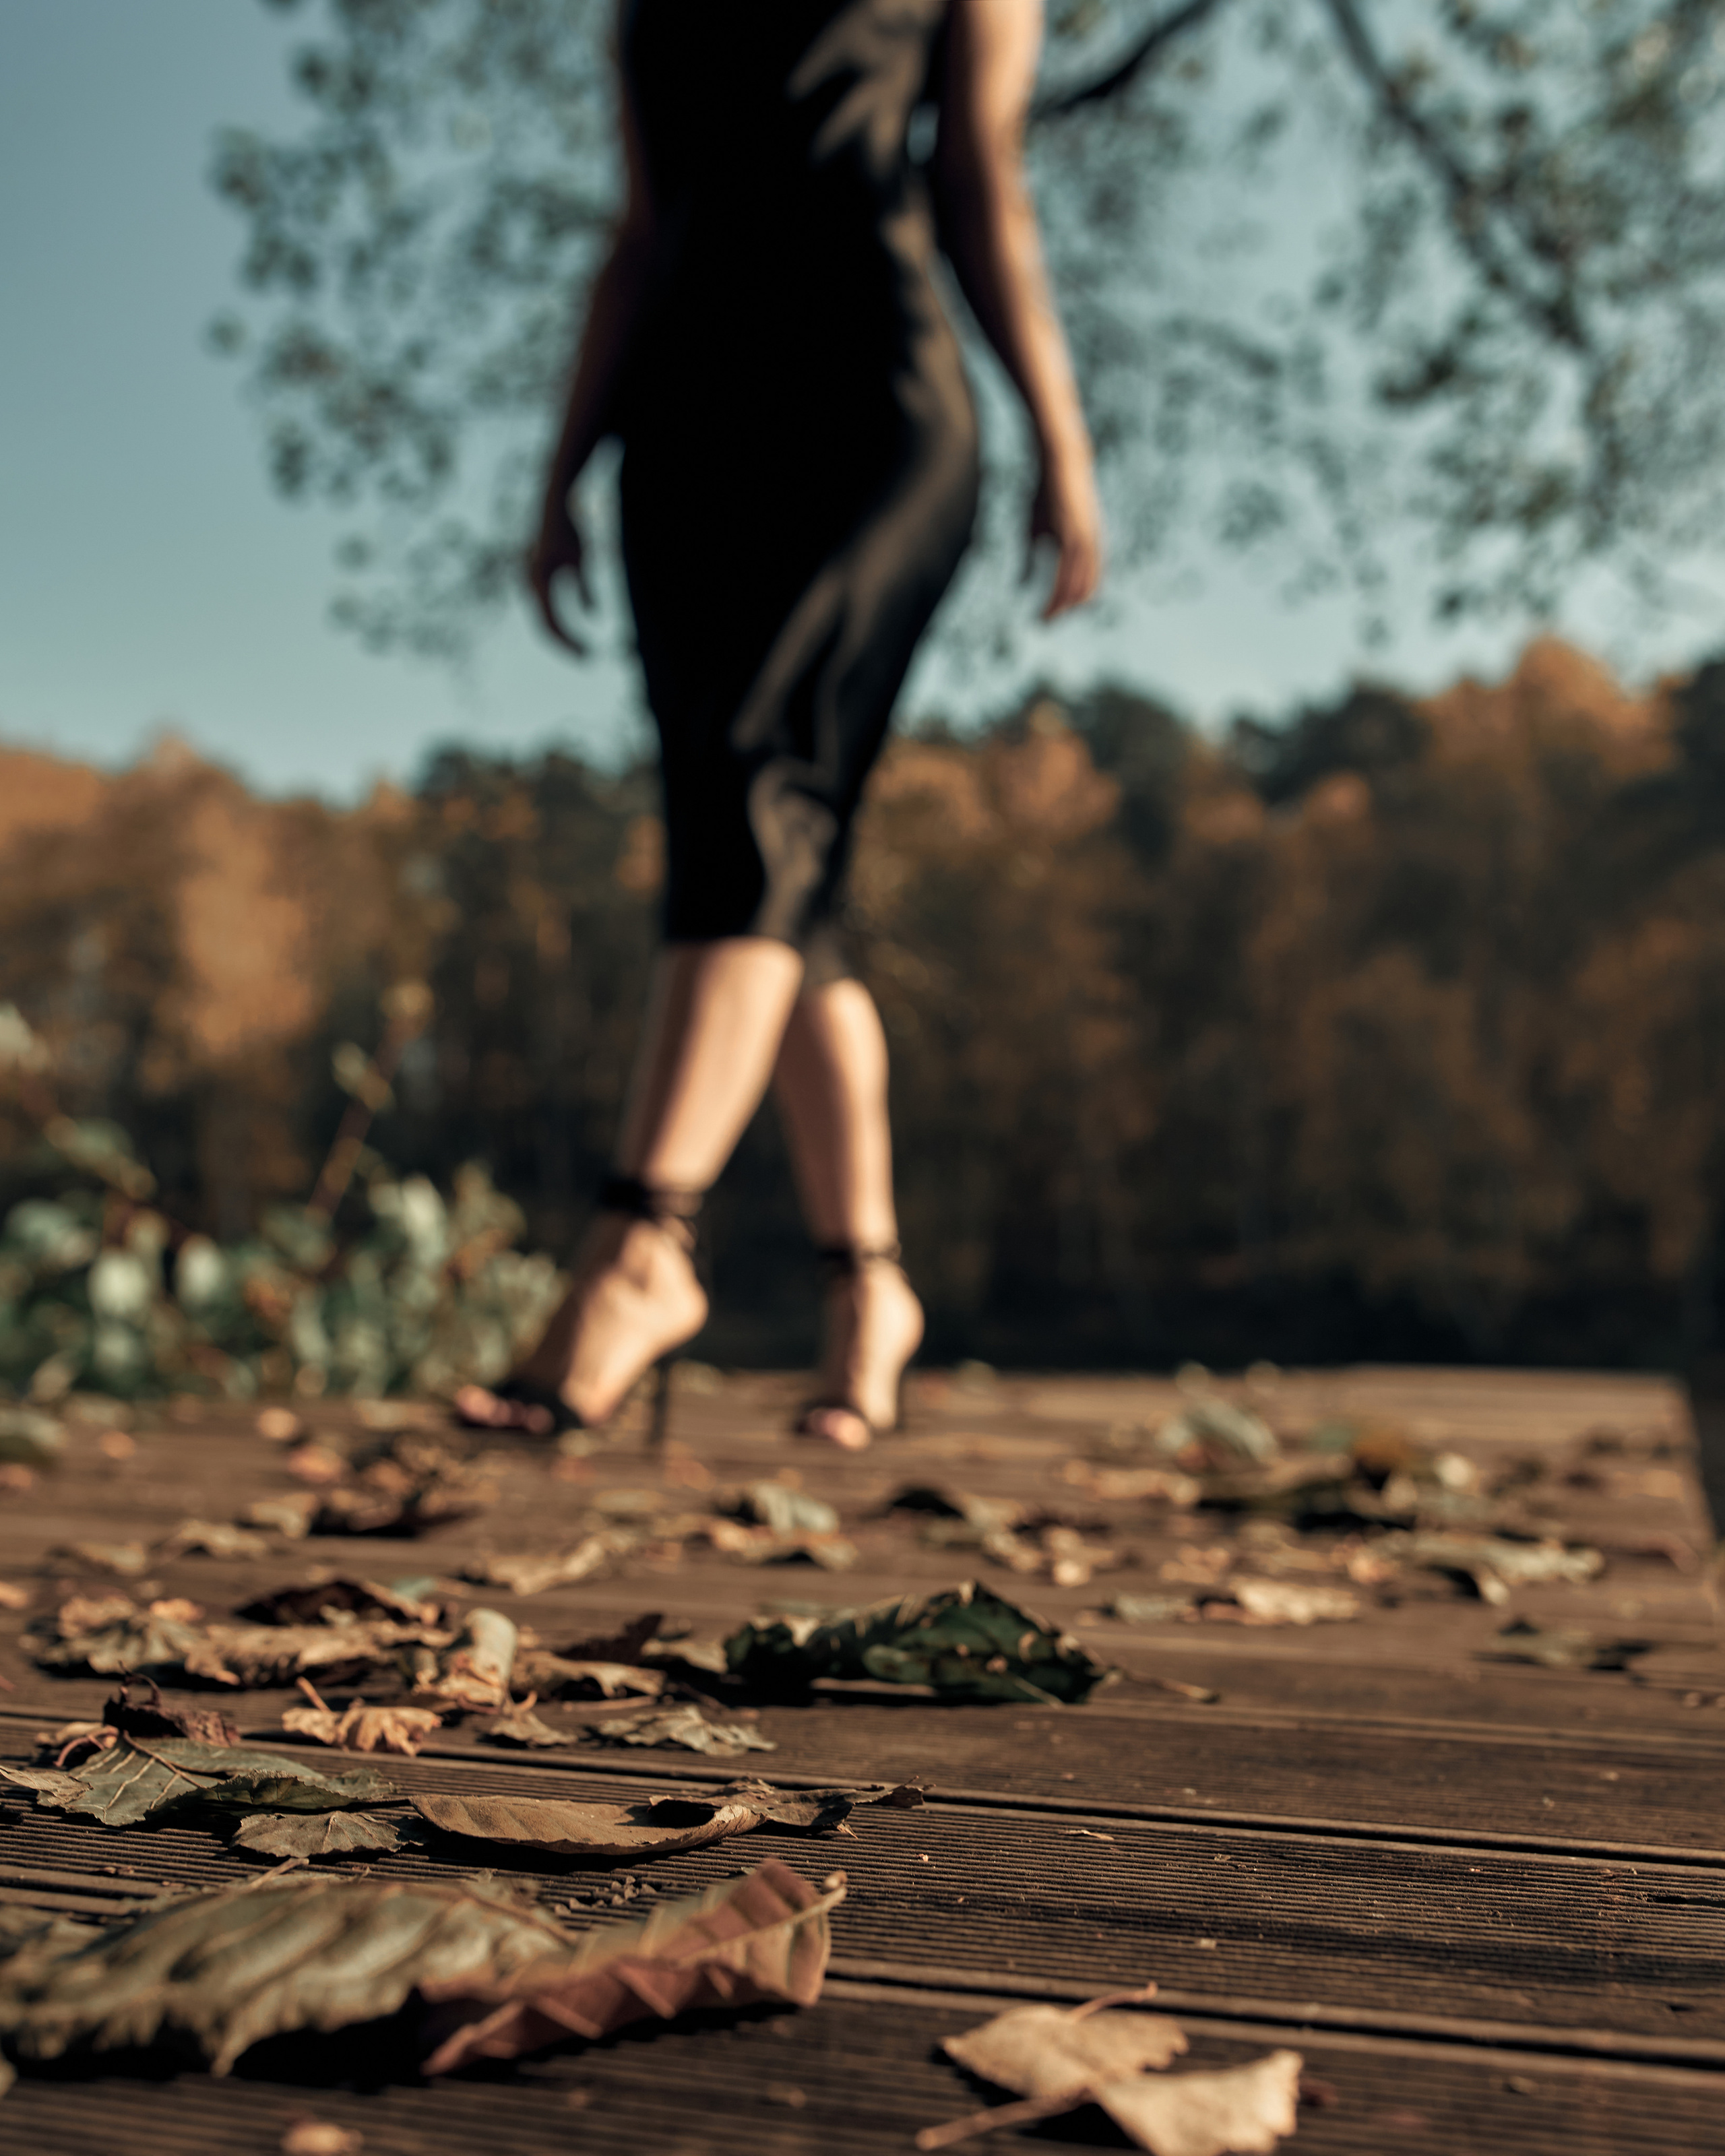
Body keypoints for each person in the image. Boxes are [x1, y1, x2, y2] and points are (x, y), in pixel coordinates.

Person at [456, 0, 1101, 1451]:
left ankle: (641, 1242)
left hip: (872, 408)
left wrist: (1060, 440)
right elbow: (639, 231)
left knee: (763, 783)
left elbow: (977, 181)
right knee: (760, 858)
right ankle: (868, 1290)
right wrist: (560, 472)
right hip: (681, 434)